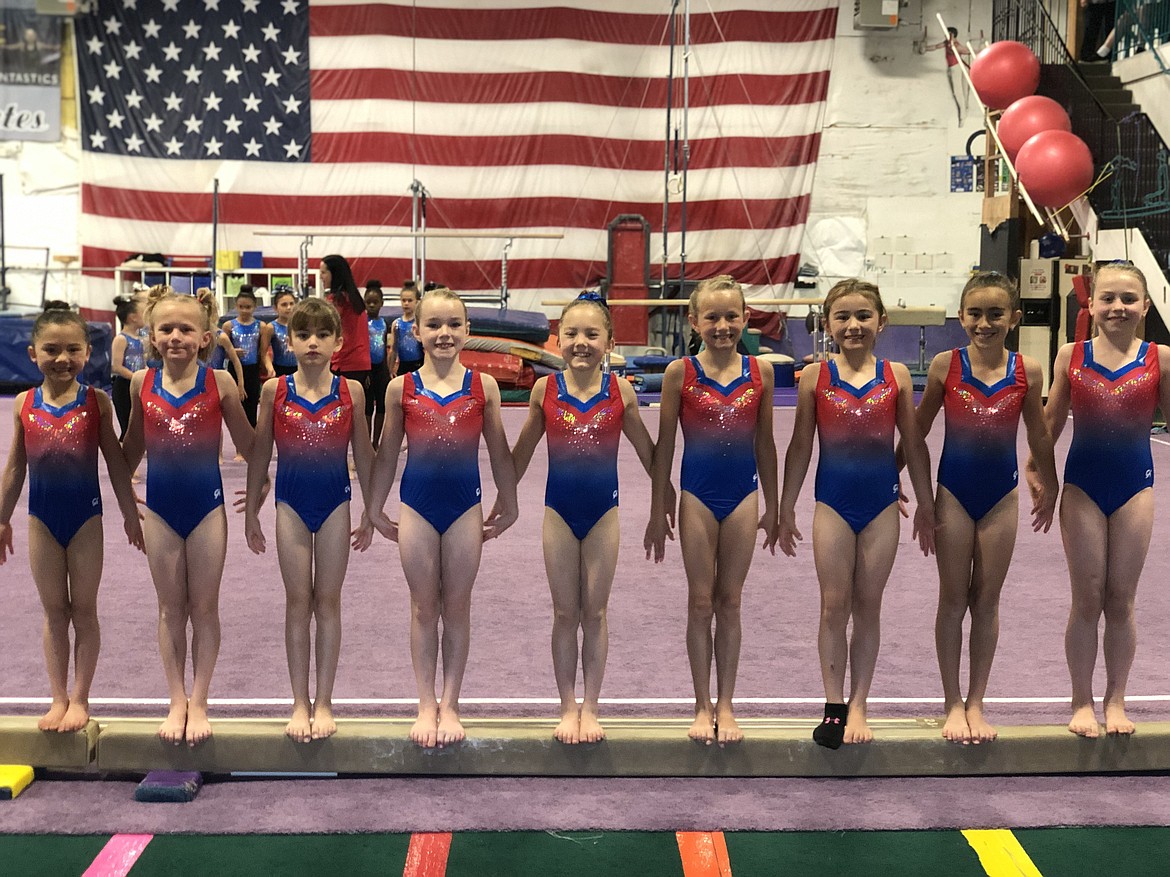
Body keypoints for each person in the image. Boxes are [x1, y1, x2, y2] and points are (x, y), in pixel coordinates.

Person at [778, 278, 935, 749]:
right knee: (833, 604)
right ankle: (833, 706)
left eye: (863, 315)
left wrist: (925, 503)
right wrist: (785, 506)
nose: (853, 325)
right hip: (832, 504)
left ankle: (860, 703)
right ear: (826, 325)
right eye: (842, 317)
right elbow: (801, 445)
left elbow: (914, 444)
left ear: (881, 322)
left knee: (869, 605)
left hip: (881, 504)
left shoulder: (898, 376)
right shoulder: (815, 377)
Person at [509, 292, 670, 744]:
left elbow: (649, 452)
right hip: (558, 512)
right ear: (558, 340)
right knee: (565, 612)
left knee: (595, 612)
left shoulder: (620, 390)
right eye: (572, 334)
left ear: (610, 341)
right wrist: (503, 499)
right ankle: (567, 706)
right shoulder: (545, 390)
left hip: (604, 513)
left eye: (592, 334)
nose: (581, 342)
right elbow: (520, 453)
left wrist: (664, 500)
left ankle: (592, 706)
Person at [366, 287, 519, 748]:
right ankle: (424, 702)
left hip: (464, 508)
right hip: (416, 506)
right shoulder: (402, 388)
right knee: (421, 606)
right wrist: (374, 506)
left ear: (468, 330)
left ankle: (450, 703)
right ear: (415, 332)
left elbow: (498, 451)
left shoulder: (483, 387)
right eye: (433, 325)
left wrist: (509, 502)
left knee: (456, 606)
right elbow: (388, 451)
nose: (444, 334)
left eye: (454, 324)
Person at [910, 272, 1058, 744]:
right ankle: (952, 701)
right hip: (953, 493)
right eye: (975, 313)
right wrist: (895, 479)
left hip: (1002, 497)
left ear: (1014, 319)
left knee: (986, 602)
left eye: (996, 314)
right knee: (953, 599)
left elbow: (1038, 432)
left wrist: (1048, 481)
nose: (984, 323)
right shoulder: (944, 366)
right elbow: (916, 432)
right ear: (961, 316)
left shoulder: (1028, 370)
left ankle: (977, 700)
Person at [1026, 261, 1170, 738]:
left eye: (1129, 299)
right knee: (1086, 598)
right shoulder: (1071, 354)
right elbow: (1049, 424)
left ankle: (1116, 699)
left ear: (1145, 306)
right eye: (1108, 298)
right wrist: (1039, 474)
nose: (1118, 307)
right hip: (1083, 487)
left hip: (1135, 487)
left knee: (1121, 599)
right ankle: (1081, 700)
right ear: (1092, 303)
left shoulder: (1161, 358)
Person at [646, 275, 779, 746]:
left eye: (731, 316)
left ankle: (727, 702)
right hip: (696, 497)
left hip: (744, 495)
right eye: (712, 317)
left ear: (745, 318)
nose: (722, 326)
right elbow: (665, 446)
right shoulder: (679, 373)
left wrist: (775, 504)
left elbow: (765, 442)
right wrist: (658, 504)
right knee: (700, 601)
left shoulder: (760, 372)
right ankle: (702, 703)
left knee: (732, 601)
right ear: (693, 320)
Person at [121, 286, 256, 747]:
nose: (175, 336)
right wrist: (123, 499)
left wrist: (260, 488)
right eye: (166, 329)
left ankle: (199, 701)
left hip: (206, 509)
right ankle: (175, 698)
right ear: (152, 336)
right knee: (169, 608)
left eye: (185, 329)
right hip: (159, 510)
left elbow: (250, 444)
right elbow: (130, 448)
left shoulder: (218, 383)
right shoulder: (142, 384)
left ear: (204, 337)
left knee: (204, 607)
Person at [0, 303, 144, 732]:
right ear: (33, 354)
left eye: (72, 349)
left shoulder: (97, 402)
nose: (62, 358)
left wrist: (129, 512)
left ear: (88, 353)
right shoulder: (24, 403)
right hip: (41, 520)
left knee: (84, 609)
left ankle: (80, 697)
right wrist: (2, 519)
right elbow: (14, 467)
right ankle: (57, 697)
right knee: (53, 611)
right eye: (52, 349)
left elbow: (117, 462)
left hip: (85, 520)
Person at [245, 298, 375, 742]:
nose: (313, 342)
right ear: (289, 341)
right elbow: (261, 450)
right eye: (304, 335)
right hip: (290, 505)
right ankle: (299, 701)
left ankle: (324, 701)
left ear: (339, 342)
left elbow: (363, 454)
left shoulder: (351, 392)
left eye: (323, 334)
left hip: (336, 503)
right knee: (298, 601)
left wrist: (371, 510)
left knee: (329, 601)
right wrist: (252, 512)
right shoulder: (274, 390)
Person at [320, 255, 371, 391]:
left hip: (345, 362)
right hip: (361, 362)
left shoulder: (338, 300)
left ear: (334, 273)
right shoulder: (354, 297)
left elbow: (324, 327)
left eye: (324, 272)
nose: (321, 277)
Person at [221, 285, 263, 427]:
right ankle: (239, 440)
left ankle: (252, 437)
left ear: (255, 307)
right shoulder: (228, 326)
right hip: (234, 369)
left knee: (251, 405)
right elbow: (222, 352)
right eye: (241, 307)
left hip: (252, 370)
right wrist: (231, 353)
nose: (244, 310)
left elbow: (262, 351)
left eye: (248, 307)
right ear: (235, 306)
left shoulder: (261, 326)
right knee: (236, 405)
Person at [111, 294, 146, 439]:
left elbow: (142, 363)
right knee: (127, 425)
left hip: (137, 384)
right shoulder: (121, 339)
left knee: (138, 421)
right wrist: (136, 377)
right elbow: (116, 367)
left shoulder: (140, 340)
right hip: (123, 385)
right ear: (133, 317)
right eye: (143, 313)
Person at [924, 26, 971, 126]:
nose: (945, 35)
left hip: (957, 67)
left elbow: (966, 50)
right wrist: (926, 48)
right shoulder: (947, 43)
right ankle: (964, 111)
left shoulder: (955, 44)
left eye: (947, 33)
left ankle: (963, 114)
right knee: (962, 91)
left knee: (959, 91)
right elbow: (936, 46)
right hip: (957, 66)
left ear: (951, 34)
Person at [364, 280, 389, 446]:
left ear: (382, 303)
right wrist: (364, 371)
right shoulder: (362, 323)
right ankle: (366, 442)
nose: (372, 305)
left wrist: (387, 369)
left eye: (375, 302)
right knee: (367, 407)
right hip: (366, 368)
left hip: (381, 368)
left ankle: (375, 442)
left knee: (381, 406)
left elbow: (384, 346)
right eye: (368, 302)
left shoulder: (384, 323)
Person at [388, 280, 423, 377]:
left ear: (417, 302)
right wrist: (390, 370)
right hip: (403, 366)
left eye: (410, 300)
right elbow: (393, 349)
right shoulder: (396, 324)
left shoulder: (420, 323)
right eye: (403, 300)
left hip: (419, 364)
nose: (406, 303)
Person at [266, 286, 299, 378]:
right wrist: (269, 367)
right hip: (280, 369)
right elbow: (263, 351)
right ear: (275, 308)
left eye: (292, 304)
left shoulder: (300, 325)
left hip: (299, 369)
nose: (289, 307)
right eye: (284, 305)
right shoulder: (271, 327)